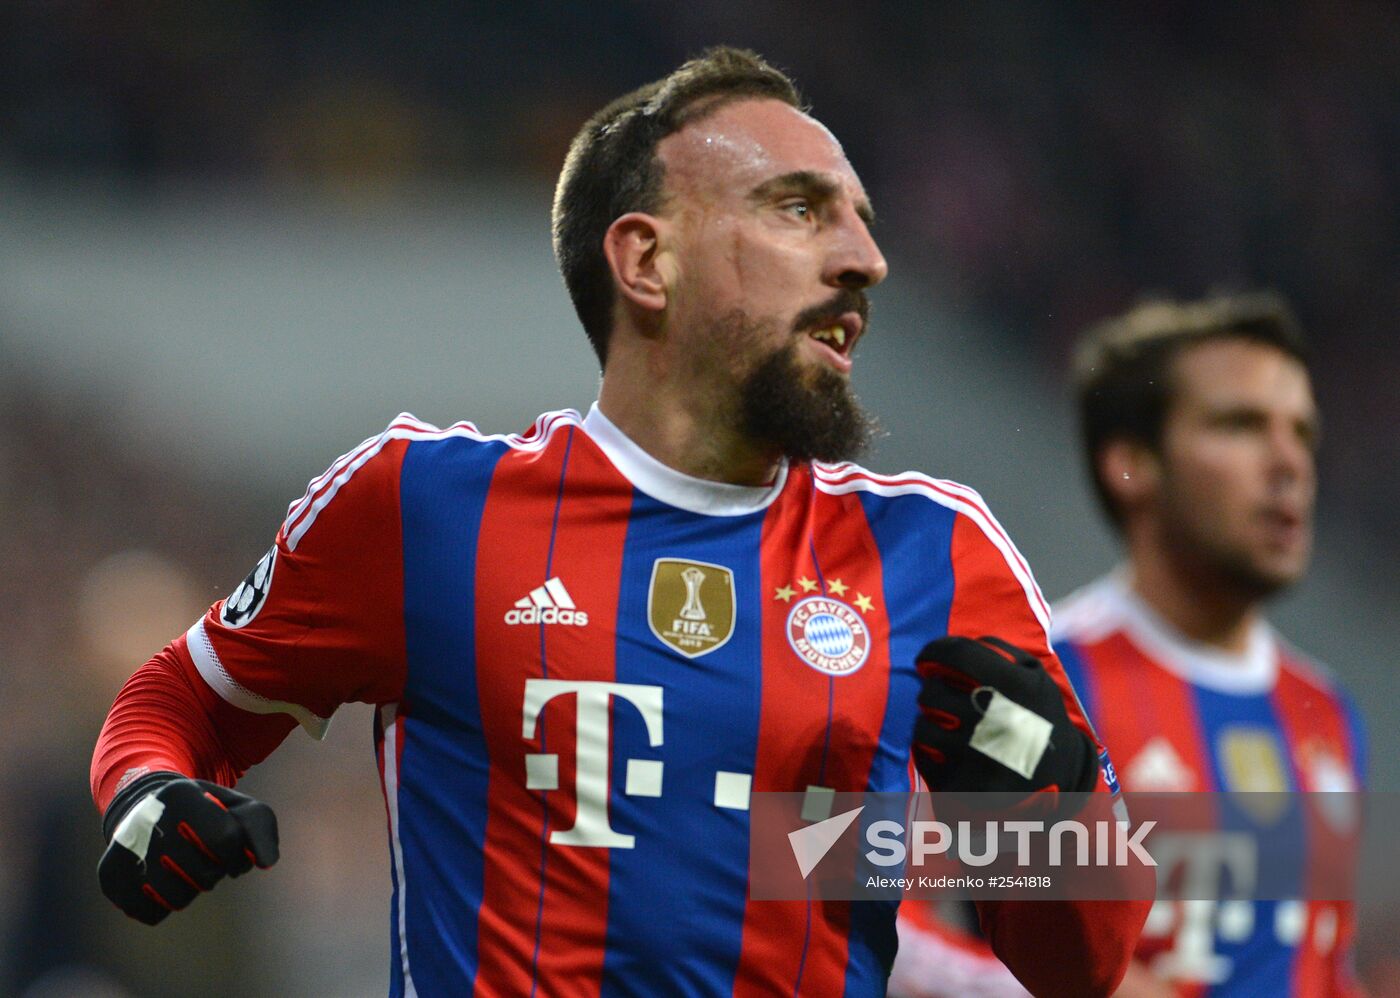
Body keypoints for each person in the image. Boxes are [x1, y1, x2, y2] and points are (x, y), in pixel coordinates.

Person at [90, 48, 1148, 995]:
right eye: (797, 208)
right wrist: (148, 792)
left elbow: (1081, 966)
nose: (862, 258)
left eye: (860, 218)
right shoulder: (423, 507)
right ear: (646, 260)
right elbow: (182, 700)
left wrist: (1057, 819)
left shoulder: (936, 556)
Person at [891, 295, 1366, 997]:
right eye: (1240, 425)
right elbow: (878, 921)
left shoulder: (1325, 713)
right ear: (1131, 465)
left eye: (1302, 432)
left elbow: (1319, 970)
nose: (1288, 462)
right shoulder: (1031, 680)